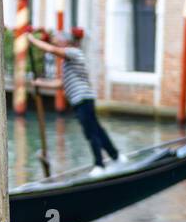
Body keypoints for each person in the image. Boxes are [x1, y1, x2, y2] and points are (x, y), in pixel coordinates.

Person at [26, 27, 119, 174]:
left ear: (65, 42)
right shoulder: (67, 62)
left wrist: (32, 40)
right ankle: (115, 156)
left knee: (91, 132)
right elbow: (61, 84)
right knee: (97, 130)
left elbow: (52, 49)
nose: (56, 44)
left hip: (83, 99)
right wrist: (40, 83)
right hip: (81, 100)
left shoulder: (74, 53)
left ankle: (99, 165)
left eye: (58, 42)